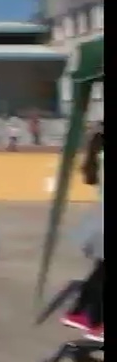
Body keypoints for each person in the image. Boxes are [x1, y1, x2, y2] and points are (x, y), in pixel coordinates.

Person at [62, 123, 104, 342]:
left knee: (100, 271)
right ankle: (97, 324)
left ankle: (78, 313)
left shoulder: (99, 155)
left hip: (98, 218)